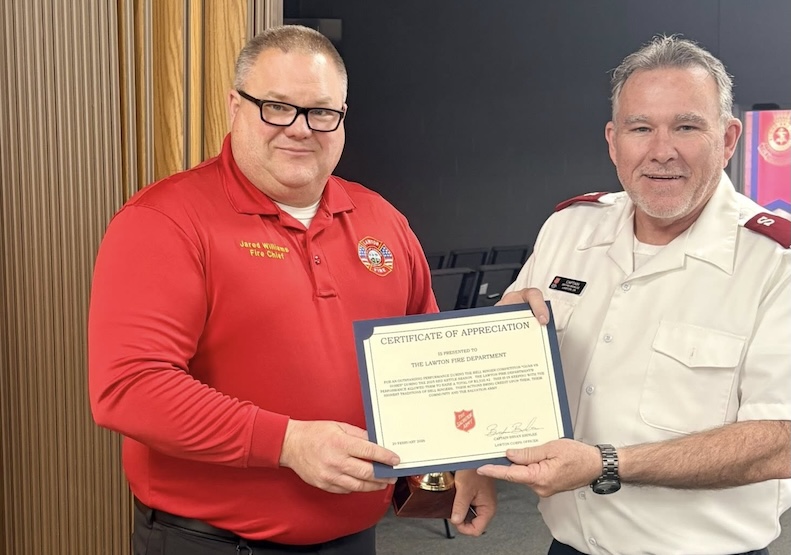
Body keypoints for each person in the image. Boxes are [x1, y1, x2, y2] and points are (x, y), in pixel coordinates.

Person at [88, 25, 494, 555]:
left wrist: (464, 455)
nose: (300, 129)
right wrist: (288, 443)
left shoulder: (381, 219)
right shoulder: (165, 221)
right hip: (211, 543)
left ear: (343, 118)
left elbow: (430, 366)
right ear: (235, 106)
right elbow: (129, 388)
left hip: (354, 538)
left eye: (322, 112)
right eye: (276, 107)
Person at [478, 34, 791, 555]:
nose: (661, 150)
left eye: (687, 126)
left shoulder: (775, 261)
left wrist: (604, 464)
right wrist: (496, 342)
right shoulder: (568, 229)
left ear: (730, 138)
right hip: (569, 545)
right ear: (613, 140)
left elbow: (780, 440)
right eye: (640, 128)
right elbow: (508, 365)